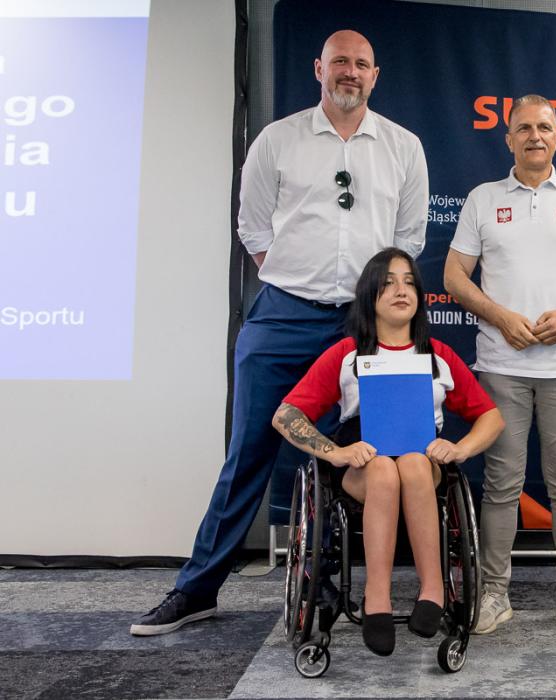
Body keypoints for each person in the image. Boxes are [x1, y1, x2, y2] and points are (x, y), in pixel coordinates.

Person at [131, 30, 428, 636]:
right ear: (319, 68)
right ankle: (197, 588)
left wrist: (363, 303)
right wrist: (297, 280)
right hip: (283, 314)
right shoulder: (278, 139)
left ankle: (323, 578)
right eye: (340, 61)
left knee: (362, 453)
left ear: (375, 75)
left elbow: (409, 240)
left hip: (361, 323)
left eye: (362, 64)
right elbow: (253, 228)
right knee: (248, 452)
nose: (350, 72)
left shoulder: (404, 146)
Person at [444, 95, 556, 637]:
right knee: (501, 483)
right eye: (523, 128)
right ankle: (494, 594)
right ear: (509, 138)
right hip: (502, 365)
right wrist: (499, 316)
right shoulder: (483, 199)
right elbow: (454, 276)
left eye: (545, 127)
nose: (535, 136)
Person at [271, 248, 503, 656]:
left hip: (422, 460)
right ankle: (376, 594)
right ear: (370, 295)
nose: (401, 290)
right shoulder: (347, 355)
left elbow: (491, 417)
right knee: (382, 469)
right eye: (389, 283)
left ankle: (433, 589)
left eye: (409, 282)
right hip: (363, 461)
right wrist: (334, 452)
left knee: (412, 463)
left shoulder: (437, 356)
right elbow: (286, 415)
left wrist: (459, 447)